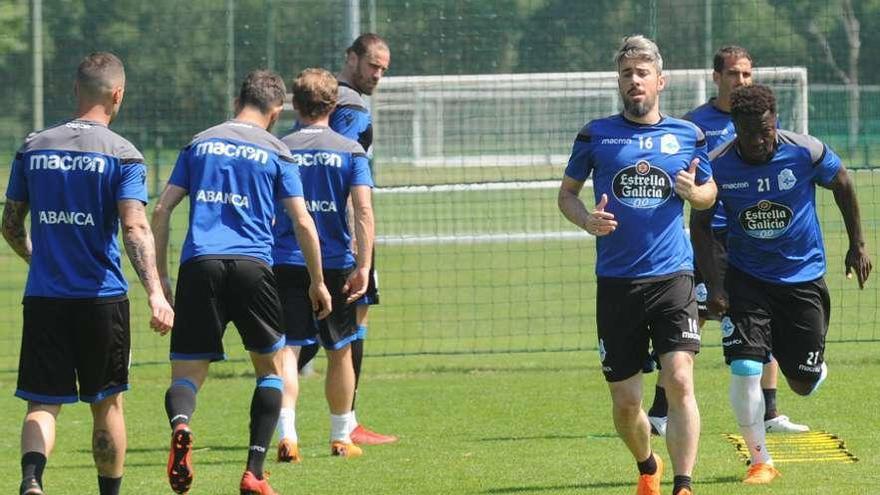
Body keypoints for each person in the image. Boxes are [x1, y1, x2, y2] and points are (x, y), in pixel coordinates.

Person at [151, 69, 332, 495]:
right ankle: (253, 472)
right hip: (254, 267)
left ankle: (181, 425)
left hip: (201, 264)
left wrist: (159, 281)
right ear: (275, 112)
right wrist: (317, 282)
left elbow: (161, 211)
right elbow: (303, 222)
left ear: (238, 102)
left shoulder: (199, 143)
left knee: (186, 375)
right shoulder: (275, 149)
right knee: (269, 371)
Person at [2, 52, 174, 495]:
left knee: (42, 404)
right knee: (107, 405)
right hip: (101, 300)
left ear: (75, 89)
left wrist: (37, 259)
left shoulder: (33, 146)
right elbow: (134, 226)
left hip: (45, 297)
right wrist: (156, 292)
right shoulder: (124, 155)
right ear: (117, 95)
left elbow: (9, 225)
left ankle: (32, 482)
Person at [558, 35, 715, 495]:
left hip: (673, 277)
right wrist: (586, 218)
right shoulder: (596, 134)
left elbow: (709, 193)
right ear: (619, 83)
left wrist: (694, 193)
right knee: (627, 403)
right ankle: (648, 465)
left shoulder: (688, 135)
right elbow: (566, 194)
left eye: (642, 73)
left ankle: (684, 485)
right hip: (617, 283)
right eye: (627, 74)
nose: (634, 81)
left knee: (680, 378)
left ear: (660, 81)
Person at [692, 83, 871, 485]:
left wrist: (857, 244)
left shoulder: (804, 151)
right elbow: (701, 226)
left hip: (802, 279)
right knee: (744, 364)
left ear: (776, 123)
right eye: (748, 133)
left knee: (803, 383)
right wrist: (715, 284)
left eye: (765, 131)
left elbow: (841, 181)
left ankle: (811, 367)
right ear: (734, 127)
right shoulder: (717, 165)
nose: (758, 141)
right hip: (747, 279)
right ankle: (760, 461)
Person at [646, 45, 809, 437]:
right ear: (716, 77)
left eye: (747, 74)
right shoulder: (694, 124)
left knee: (763, 315)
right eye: (734, 74)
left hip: (752, 237)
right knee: (694, 321)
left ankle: (769, 412)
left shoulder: (760, 120)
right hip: (711, 238)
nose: (741, 81)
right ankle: (660, 410)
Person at [295, 32, 395, 446]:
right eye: (372, 64)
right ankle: (347, 422)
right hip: (341, 238)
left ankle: (280, 399)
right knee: (349, 324)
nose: (377, 74)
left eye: (383, 69)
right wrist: (360, 246)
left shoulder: (316, 104)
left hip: (301, 234)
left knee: (305, 330)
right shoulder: (350, 105)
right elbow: (349, 175)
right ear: (350, 57)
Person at [273, 68, 375, 463]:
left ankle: (289, 435)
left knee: (287, 350)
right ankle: (340, 436)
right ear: (333, 105)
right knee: (340, 351)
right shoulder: (351, 151)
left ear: (294, 105)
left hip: (285, 260)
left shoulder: (279, 148)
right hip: (335, 262)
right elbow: (363, 211)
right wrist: (363, 265)